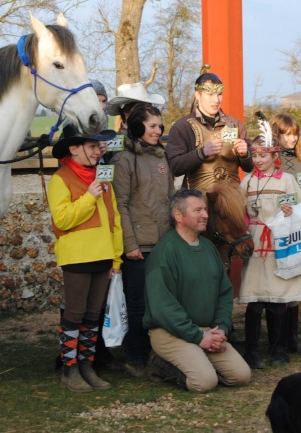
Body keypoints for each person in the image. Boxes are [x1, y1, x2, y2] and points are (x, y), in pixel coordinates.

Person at [143, 189, 251, 393]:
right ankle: (159, 363)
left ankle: (200, 360)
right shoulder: (165, 252)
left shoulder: (209, 248)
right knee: (204, 382)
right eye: (198, 210)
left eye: (205, 209)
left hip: (207, 330)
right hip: (170, 333)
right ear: (178, 216)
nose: (205, 215)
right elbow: (163, 307)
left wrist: (221, 329)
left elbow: (224, 293)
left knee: (241, 376)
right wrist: (198, 337)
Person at [48, 123, 123, 392]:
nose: (97, 150)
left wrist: (116, 259)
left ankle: (87, 367)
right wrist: (90, 196)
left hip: (103, 256)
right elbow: (62, 220)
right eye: (92, 146)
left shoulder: (103, 176)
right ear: (74, 148)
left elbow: (114, 219)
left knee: (93, 316)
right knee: (75, 315)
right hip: (77, 257)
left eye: (98, 146)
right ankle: (69, 372)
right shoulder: (60, 178)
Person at [110, 103, 175, 378]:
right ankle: (134, 357)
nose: (158, 131)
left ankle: (156, 353)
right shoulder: (123, 159)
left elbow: (171, 198)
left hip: (162, 242)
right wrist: (130, 245)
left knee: (160, 302)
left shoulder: (162, 157)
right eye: (152, 126)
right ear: (136, 127)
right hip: (138, 245)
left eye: (160, 126)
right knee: (138, 304)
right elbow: (119, 204)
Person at [238, 133, 301, 368]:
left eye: (262, 155)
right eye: (254, 155)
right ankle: (252, 350)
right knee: (255, 300)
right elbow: (241, 213)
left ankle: (279, 348)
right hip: (256, 243)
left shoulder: (286, 180)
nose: (257, 160)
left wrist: (291, 212)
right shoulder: (246, 182)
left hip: (279, 242)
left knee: (278, 299)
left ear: (274, 155)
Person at [270, 112, 301, 354]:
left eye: (295, 134)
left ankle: (293, 338)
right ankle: (276, 340)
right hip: (276, 226)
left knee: (295, 281)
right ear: (276, 135)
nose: (292, 138)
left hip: (297, 228)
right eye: (286, 134)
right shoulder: (270, 160)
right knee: (279, 283)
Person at [166, 72, 252, 192]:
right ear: (198, 95)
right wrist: (202, 153)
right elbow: (175, 167)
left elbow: (249, 167)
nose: (216, 100)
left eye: (219, 94)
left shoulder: (234, 124)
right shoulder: (183, 126)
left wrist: (245, 154)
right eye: (210, 94)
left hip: (231, 201)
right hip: (198, 202)